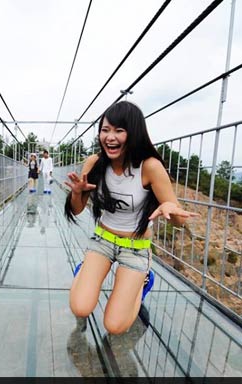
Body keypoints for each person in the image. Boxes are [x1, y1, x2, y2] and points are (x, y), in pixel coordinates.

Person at [64, 101, 198, 335]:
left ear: (133, 133)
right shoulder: (95, 162)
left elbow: (179, 221)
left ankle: (142, 282)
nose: (110, 137)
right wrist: (77, 193)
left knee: (114, 326)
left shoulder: (150, 167)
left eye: (119, 130)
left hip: (135, 249)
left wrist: (169, 206)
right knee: (80, 308)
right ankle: (85, 270)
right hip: (102, 241)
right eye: (105, 130)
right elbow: (76, 210)